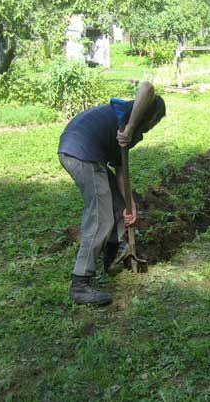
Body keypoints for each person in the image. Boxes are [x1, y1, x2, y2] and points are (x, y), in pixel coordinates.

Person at [58, 82, 165, 305]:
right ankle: (80, 284)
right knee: (100, 217)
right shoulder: (129, 114)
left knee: (117, 204)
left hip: (82, 150)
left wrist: (130, 204)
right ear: (152, 117)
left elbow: (120, 171)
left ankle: (113, 253)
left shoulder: (132, 129)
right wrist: (129, 127)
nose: (153, 127)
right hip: (80, 152)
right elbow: (147, 87)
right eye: (156, 122)